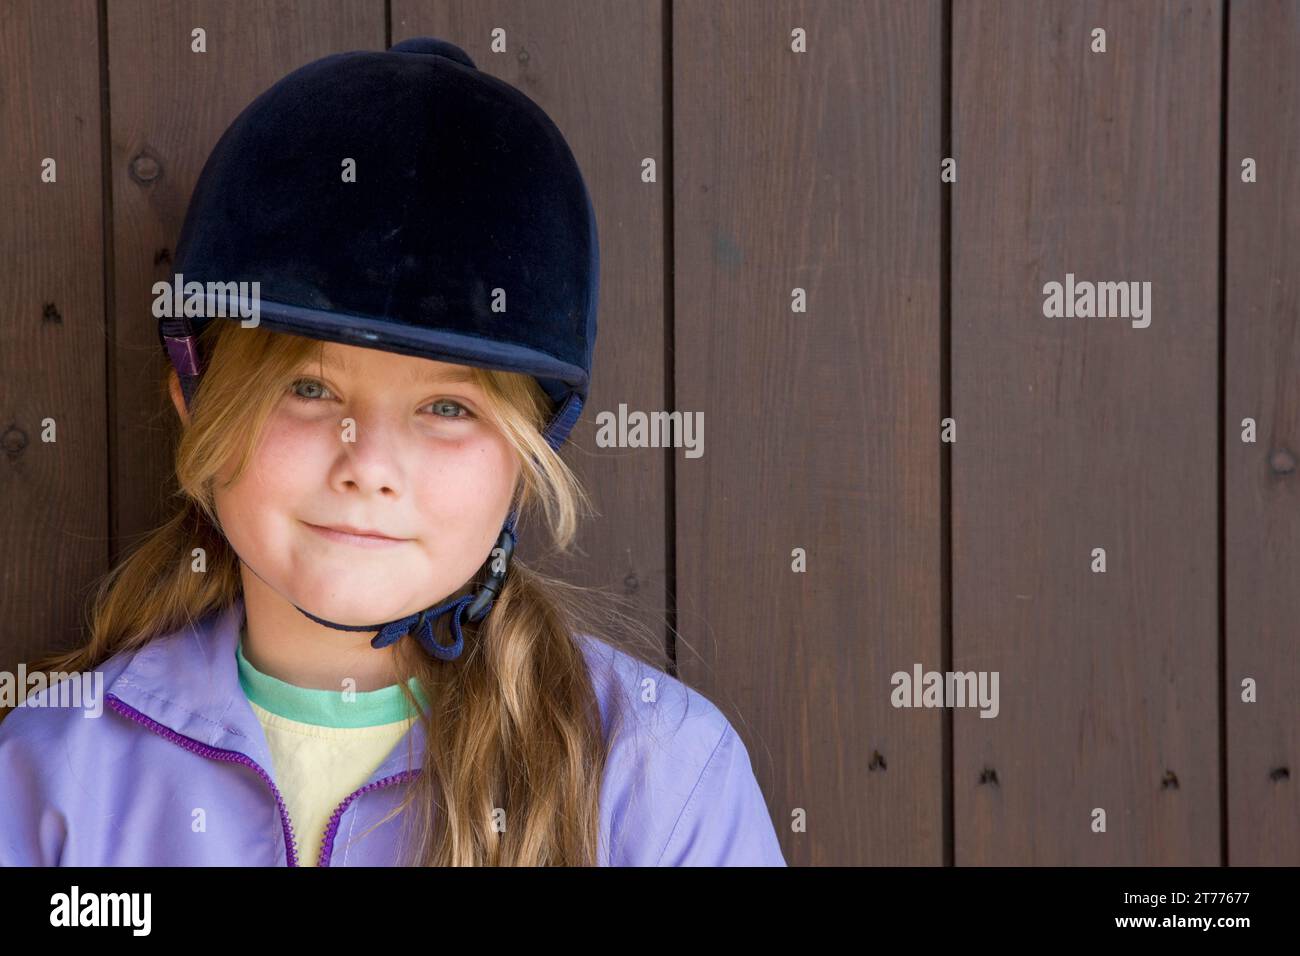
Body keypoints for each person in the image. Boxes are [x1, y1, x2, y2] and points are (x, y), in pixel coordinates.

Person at [0, 37, 785, 867]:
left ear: (529, 454)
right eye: (308, 389)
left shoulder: (661, 779)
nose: (367, 464)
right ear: (194, 401)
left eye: (446, 407)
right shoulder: (56, 777)